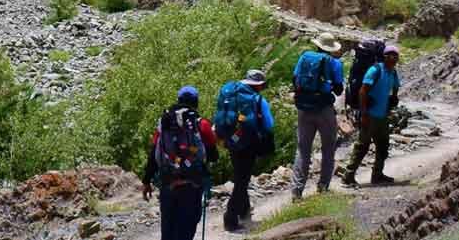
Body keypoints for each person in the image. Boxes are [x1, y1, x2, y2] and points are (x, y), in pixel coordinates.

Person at [143, 86, 219, 240]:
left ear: (178, 100)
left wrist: (146, 181)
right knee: (186, 227)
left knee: (168, 227)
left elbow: (154, 154)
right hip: (192, 183)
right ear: (196, 102)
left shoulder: (163, 123)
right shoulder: (201, 124)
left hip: (167, 181)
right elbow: (213, 155)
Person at [215, 69, 275, 232]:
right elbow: (269, 125)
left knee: (240, 175)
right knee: (242, 181)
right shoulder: (257, 100)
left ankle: (244, 211)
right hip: (248, 144)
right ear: (259, 85)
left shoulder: (230, 93)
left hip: (231, 141)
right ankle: (230, 217)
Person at [289, 32, 345, 197]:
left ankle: (296, 191)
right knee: (328, 148)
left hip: (303, 108)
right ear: (330, 48)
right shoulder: (335, 63)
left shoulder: (304, 57)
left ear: (317, 45)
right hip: (324, 110)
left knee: (302, 149)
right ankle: (322, 187)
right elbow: (339, 89)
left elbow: (294, 79)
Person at [342, 44, 401, 187]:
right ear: (384, 56)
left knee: (383, 146)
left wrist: (393, 101)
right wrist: (364, 114)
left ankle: (377, 175)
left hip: (382, 116)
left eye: (395, 56)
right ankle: (348, 177)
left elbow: (395, 88)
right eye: (389, 55)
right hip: (370, 115)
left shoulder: (393, 73)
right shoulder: (375, 70)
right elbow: (363, 92)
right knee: (362, 146)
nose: (392, 58)